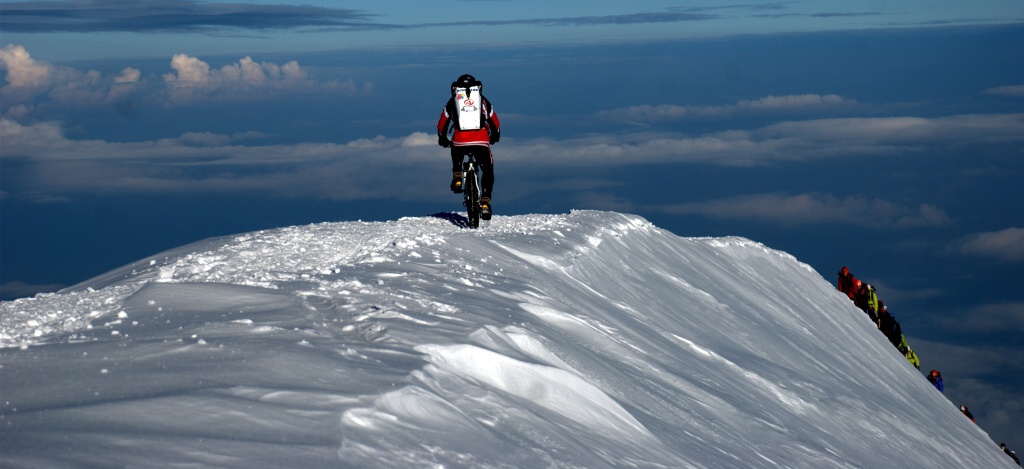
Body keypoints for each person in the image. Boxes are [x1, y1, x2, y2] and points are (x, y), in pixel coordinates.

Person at [437, 74, 501, 219]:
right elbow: (494, 121)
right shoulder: (482, 101)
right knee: (488, 171)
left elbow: (442, 122)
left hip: (460, 140)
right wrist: (495, 136)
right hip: (481, 140)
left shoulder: (453, 101)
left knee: (456, 149)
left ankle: (458, 176)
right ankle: (485, 202)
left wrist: (442, 138)